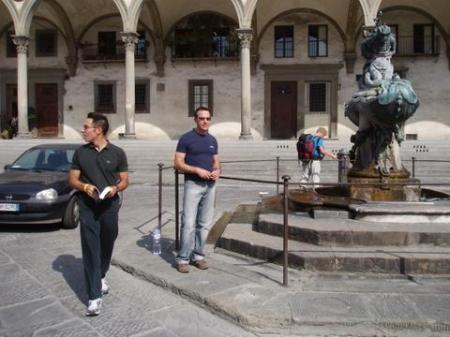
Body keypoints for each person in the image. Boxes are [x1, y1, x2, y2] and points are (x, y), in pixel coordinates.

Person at [68, 112, 129, 316]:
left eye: (86, 127)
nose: (83, 131)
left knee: (108, 242)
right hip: (87, 207)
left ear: (98, 129)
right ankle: (94, 297)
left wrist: (115, 189)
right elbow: (73, 180)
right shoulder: (80, 153)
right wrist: (85, 187)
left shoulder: (118, 152)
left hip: (110, 206)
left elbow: (124, 181)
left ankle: (101, 274)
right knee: (90, 250)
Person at [174, 106, 220, 273]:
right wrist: (196, 170)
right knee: (188, 223)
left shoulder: (212, 140)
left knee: (205, 223)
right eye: (202, 118)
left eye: (208, 118)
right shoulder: (186, 139)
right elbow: (178, 163)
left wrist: (217, 171)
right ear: (195, 119)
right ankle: (183, 258)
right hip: (193, 184)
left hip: (210, 185)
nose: (205, 121)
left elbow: (216, 161)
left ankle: (198, 255)